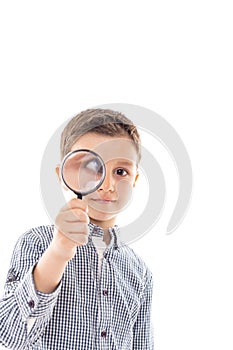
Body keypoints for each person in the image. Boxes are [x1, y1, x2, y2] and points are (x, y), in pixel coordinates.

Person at [0, 108, 154, 349]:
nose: (107, 185)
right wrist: (57, 253)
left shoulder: (141, 272)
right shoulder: (37, 243)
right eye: (91, 168)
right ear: (63, 175)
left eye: (121, 171)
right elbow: (10, 334)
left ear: (134, 180)